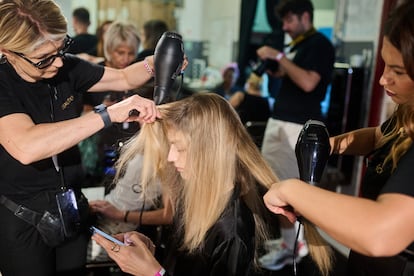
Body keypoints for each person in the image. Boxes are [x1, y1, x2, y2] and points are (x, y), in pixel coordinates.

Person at [0, 0, 185, 275]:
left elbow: (123, 77)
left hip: (71, 206)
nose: (59, 62)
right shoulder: (3, 85)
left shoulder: (65, 67)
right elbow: (27, 146)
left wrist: (154, 63)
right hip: (22, 218)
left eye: (62, 48)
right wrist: (108, 114)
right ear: (8, 52)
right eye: (45, 59)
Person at [263, 1, 414, 275]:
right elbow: (379, 136)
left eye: (398, 71)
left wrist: (294, 190)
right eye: (385, 65)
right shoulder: (408, 114)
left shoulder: (318, 45)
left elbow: (381, 232)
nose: (383, 79)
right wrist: (330, 144)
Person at [92, 93, 289, 276]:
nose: (171, 157)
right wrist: (149, 253)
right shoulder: (192, 196)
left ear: (210, 151)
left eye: (180, 148)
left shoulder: (232, 233)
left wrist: (153, 273)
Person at [256, 0, 335, 268]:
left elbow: (308, 81)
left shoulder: (320, 45)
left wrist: (279, 57)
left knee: (288, 190)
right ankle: (288, 242)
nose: (286, 27)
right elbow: (290, 76)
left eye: (290, 21)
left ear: (305, 16)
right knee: (273, 183)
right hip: (279, 120)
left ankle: (295, 249)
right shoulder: (300, 44)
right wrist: (274, 68)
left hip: (297, 126)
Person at [79, 20, 142, 186]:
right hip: (99, 153)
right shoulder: (94, 74)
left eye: (131, 53)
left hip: (132, 149)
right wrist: (104, 109)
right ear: (109, 49)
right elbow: (81, 115)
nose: (125, 59)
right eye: (120, 52)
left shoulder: (138, 74)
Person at [88, 154, 173, 263]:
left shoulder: (170, 158)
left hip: (116, 227)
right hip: (103, 213)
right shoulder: (149, 145)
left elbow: (169, 215)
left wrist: (121, 215)